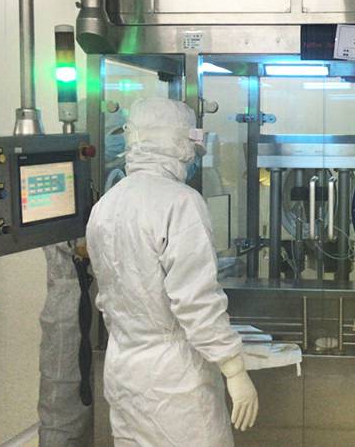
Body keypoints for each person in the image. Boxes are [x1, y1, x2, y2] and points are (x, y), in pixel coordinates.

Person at [86, 98, 258, 446]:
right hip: (173, 380)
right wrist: (234, 367)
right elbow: (195, 302)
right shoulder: (180, 202)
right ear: (180, 142)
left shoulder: (106, 204)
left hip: (123, 370)